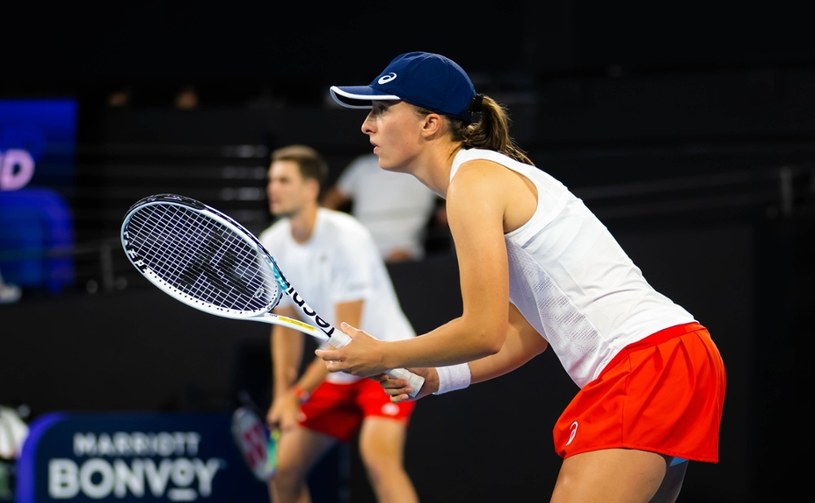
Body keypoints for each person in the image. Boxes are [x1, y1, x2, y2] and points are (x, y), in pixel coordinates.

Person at [317, 51, 727, 503]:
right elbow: (527, 332)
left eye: (381, 109)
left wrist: (381, 353)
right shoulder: (487, 176)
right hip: (680, 354)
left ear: (430, 123)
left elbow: (482, 331)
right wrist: (438, 377)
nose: (366, 126)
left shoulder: (472, 184)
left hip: (647, 362)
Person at [259, 144, 419, 503]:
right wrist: (282, 394)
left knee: (378, 459)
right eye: (270, 180)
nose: (273, 188)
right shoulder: (271, 243)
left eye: (283, 180)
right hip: (334, 372)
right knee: (282, 472)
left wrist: (297, 394)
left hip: (385, 361)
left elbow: (345, 338)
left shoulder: (348, 235)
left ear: (311, 188)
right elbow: (286, 324)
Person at [321, 153, 441, 262]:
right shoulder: (362, 167)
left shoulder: (423, 167)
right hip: (360, 253)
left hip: (406, 255)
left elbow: (453, 192)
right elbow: (331, 200)